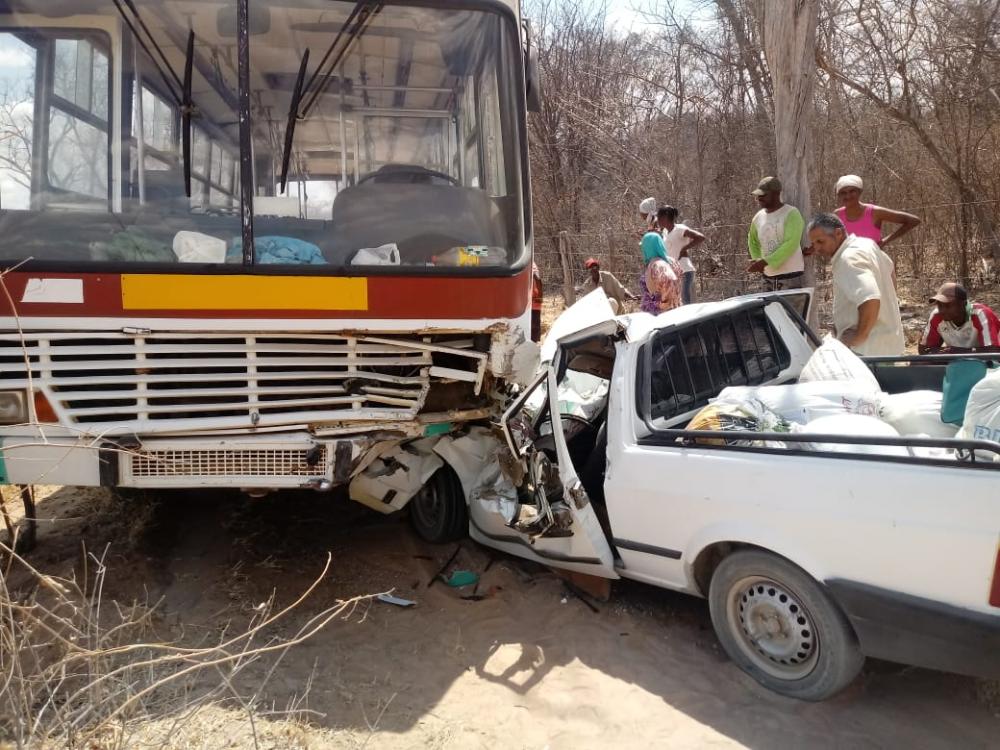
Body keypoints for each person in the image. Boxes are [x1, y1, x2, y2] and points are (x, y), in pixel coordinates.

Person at [807, 212, 905, 356]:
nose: (817, 248)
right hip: (888, 345)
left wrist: (860, 335)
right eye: (814, 243)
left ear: (838, 233)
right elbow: (889, 270)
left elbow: (870, 298)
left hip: (868, 351)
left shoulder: (849, 258)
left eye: (821, 242)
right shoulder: (866, 244)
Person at [747, 176, 806, 290]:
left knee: (791, 308)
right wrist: (757, 259)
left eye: (763, 195)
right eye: (758, 196)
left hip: (791, 274)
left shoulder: (791, 213)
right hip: (767, 276)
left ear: (776, 194)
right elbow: (752, 240)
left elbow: (791, 243)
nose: (759, 198)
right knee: (769, 308)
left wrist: (765, 261)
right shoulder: (758, 217)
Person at [834, 175, 921, 248]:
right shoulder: (837, 215)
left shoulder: (874, 212)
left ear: (860, 192)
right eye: (843, 193)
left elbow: (913, 221)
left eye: (852, 191)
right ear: (839, 195)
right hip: (845, 264)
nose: (848, 196)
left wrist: (885, 241)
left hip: (872, 263)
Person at [919, 282, 1000, 354]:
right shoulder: (937, 315)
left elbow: (992, 352)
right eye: (939, 305)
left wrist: (957, 352)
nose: (942, 310)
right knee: (916, 365)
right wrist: (943, 352)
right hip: (956, 363)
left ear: (963, 304)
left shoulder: (980, 313)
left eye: (948, 305)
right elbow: (924, 350)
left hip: (988, 366)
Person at [657, 205, 705, 304]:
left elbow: (700, 237)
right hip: (675, 273)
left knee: (686, 302)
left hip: (685, 271)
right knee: (679, 303)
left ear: (665, 217)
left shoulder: (679, 229)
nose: (658, 220)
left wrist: (684, 248)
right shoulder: (665, 232)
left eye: (659, 218)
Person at [638, 232, 683, 315]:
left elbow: (669, 280)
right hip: (676, 308)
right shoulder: (672, 261)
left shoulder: (657, 264)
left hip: (660, 315)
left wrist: (663, 304)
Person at [531, 262, 543, 342]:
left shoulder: (530, 263)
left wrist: (539, 296)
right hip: (534, 300)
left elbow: (537, 278)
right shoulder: (531, 263)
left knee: (534, 326)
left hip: (532, 300)